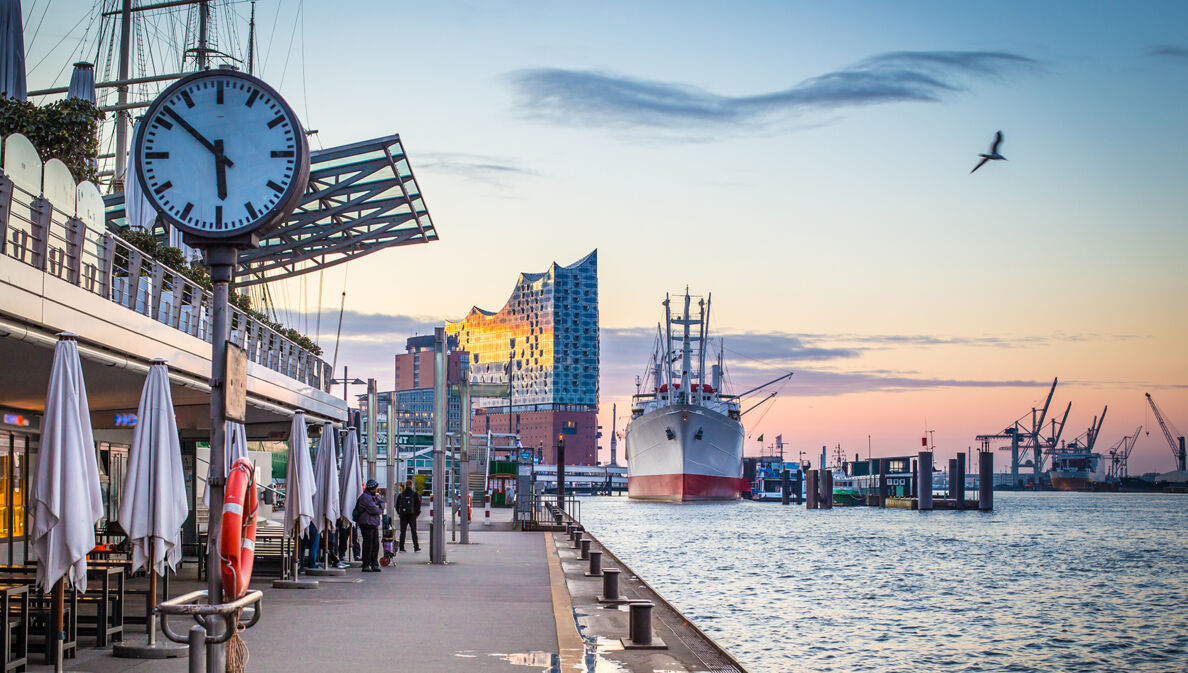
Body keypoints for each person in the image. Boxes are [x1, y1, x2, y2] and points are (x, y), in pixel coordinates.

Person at [355, 480, 384, 572]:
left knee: (375, 544)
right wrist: (379, 508)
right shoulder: (365, 497)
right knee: (368, 545)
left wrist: (379, 507)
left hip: (373, 523)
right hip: (367, 523)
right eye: (376, 488)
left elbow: (381, 503)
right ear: (372, 488)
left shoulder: (372, 497)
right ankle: (366, 564)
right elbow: (375, 510)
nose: (377, 489)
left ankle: (374, 563)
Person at [395, 479, 421, 552]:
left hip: (403, 515)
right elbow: (418, 505)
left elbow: (397, 506)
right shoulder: (414, 494)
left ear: (406, 485)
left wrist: (399, 513)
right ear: (411, 485)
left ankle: (401, 547)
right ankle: (416, 547)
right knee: (414, 531)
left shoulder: (401, 494)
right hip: (412, 515)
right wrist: (417, 514)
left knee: (403, 532)